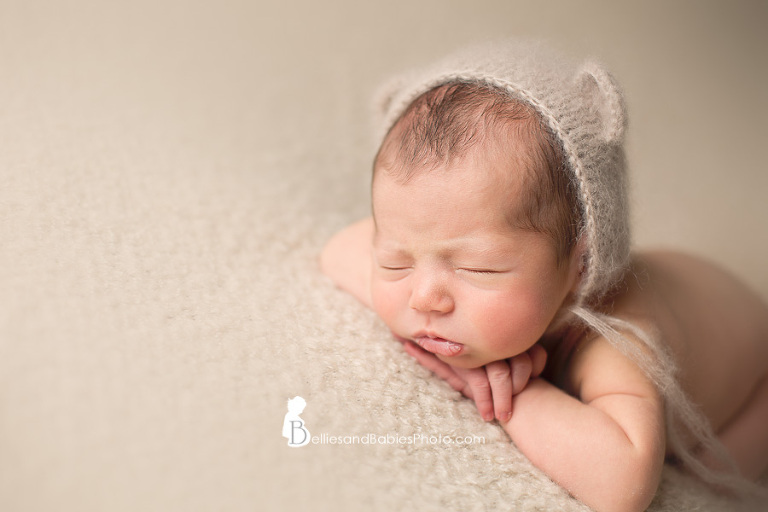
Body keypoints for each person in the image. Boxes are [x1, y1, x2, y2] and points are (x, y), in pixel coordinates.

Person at [319, 40, 768, 512]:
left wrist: (515, 392)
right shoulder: (438, 234)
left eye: (478, 268)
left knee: (712, 484)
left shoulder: (620, 340)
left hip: (754, 367)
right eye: (397, 262)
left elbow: (623, 485)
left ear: (580, 267)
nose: (426, 297)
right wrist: (474, 368)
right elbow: (338, 250)